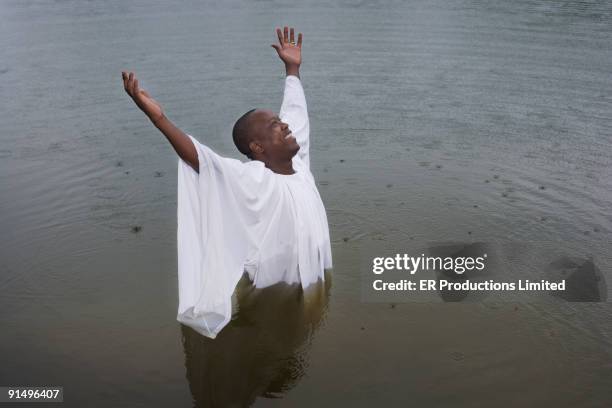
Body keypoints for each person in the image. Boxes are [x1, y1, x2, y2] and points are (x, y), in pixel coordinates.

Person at [121, 26, 332, 338]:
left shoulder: (299, 165)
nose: (285, 125)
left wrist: (292, 70)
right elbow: (204, 161)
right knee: (269, 339)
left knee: (307, 330)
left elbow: (296, 111)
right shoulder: (255, 179)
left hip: (310, 275)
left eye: (280, 120)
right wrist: (159, 119)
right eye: (275, 125)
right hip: (270, 287)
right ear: (257, 149)